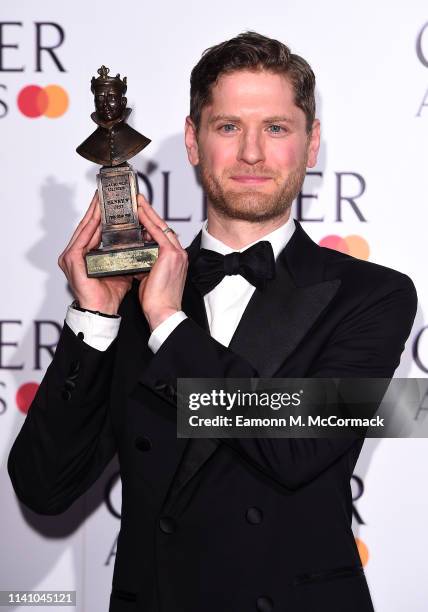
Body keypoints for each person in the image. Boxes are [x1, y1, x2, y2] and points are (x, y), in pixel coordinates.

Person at [8, 31, 417, 612]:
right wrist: (95, 318)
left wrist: (168, 322)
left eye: (276, 128)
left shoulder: (373, 296)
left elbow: (294, 448)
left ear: (312, 143)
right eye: (228, 127)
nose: (252, 152)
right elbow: (45, 489)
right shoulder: (128, 296)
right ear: (194, 143)